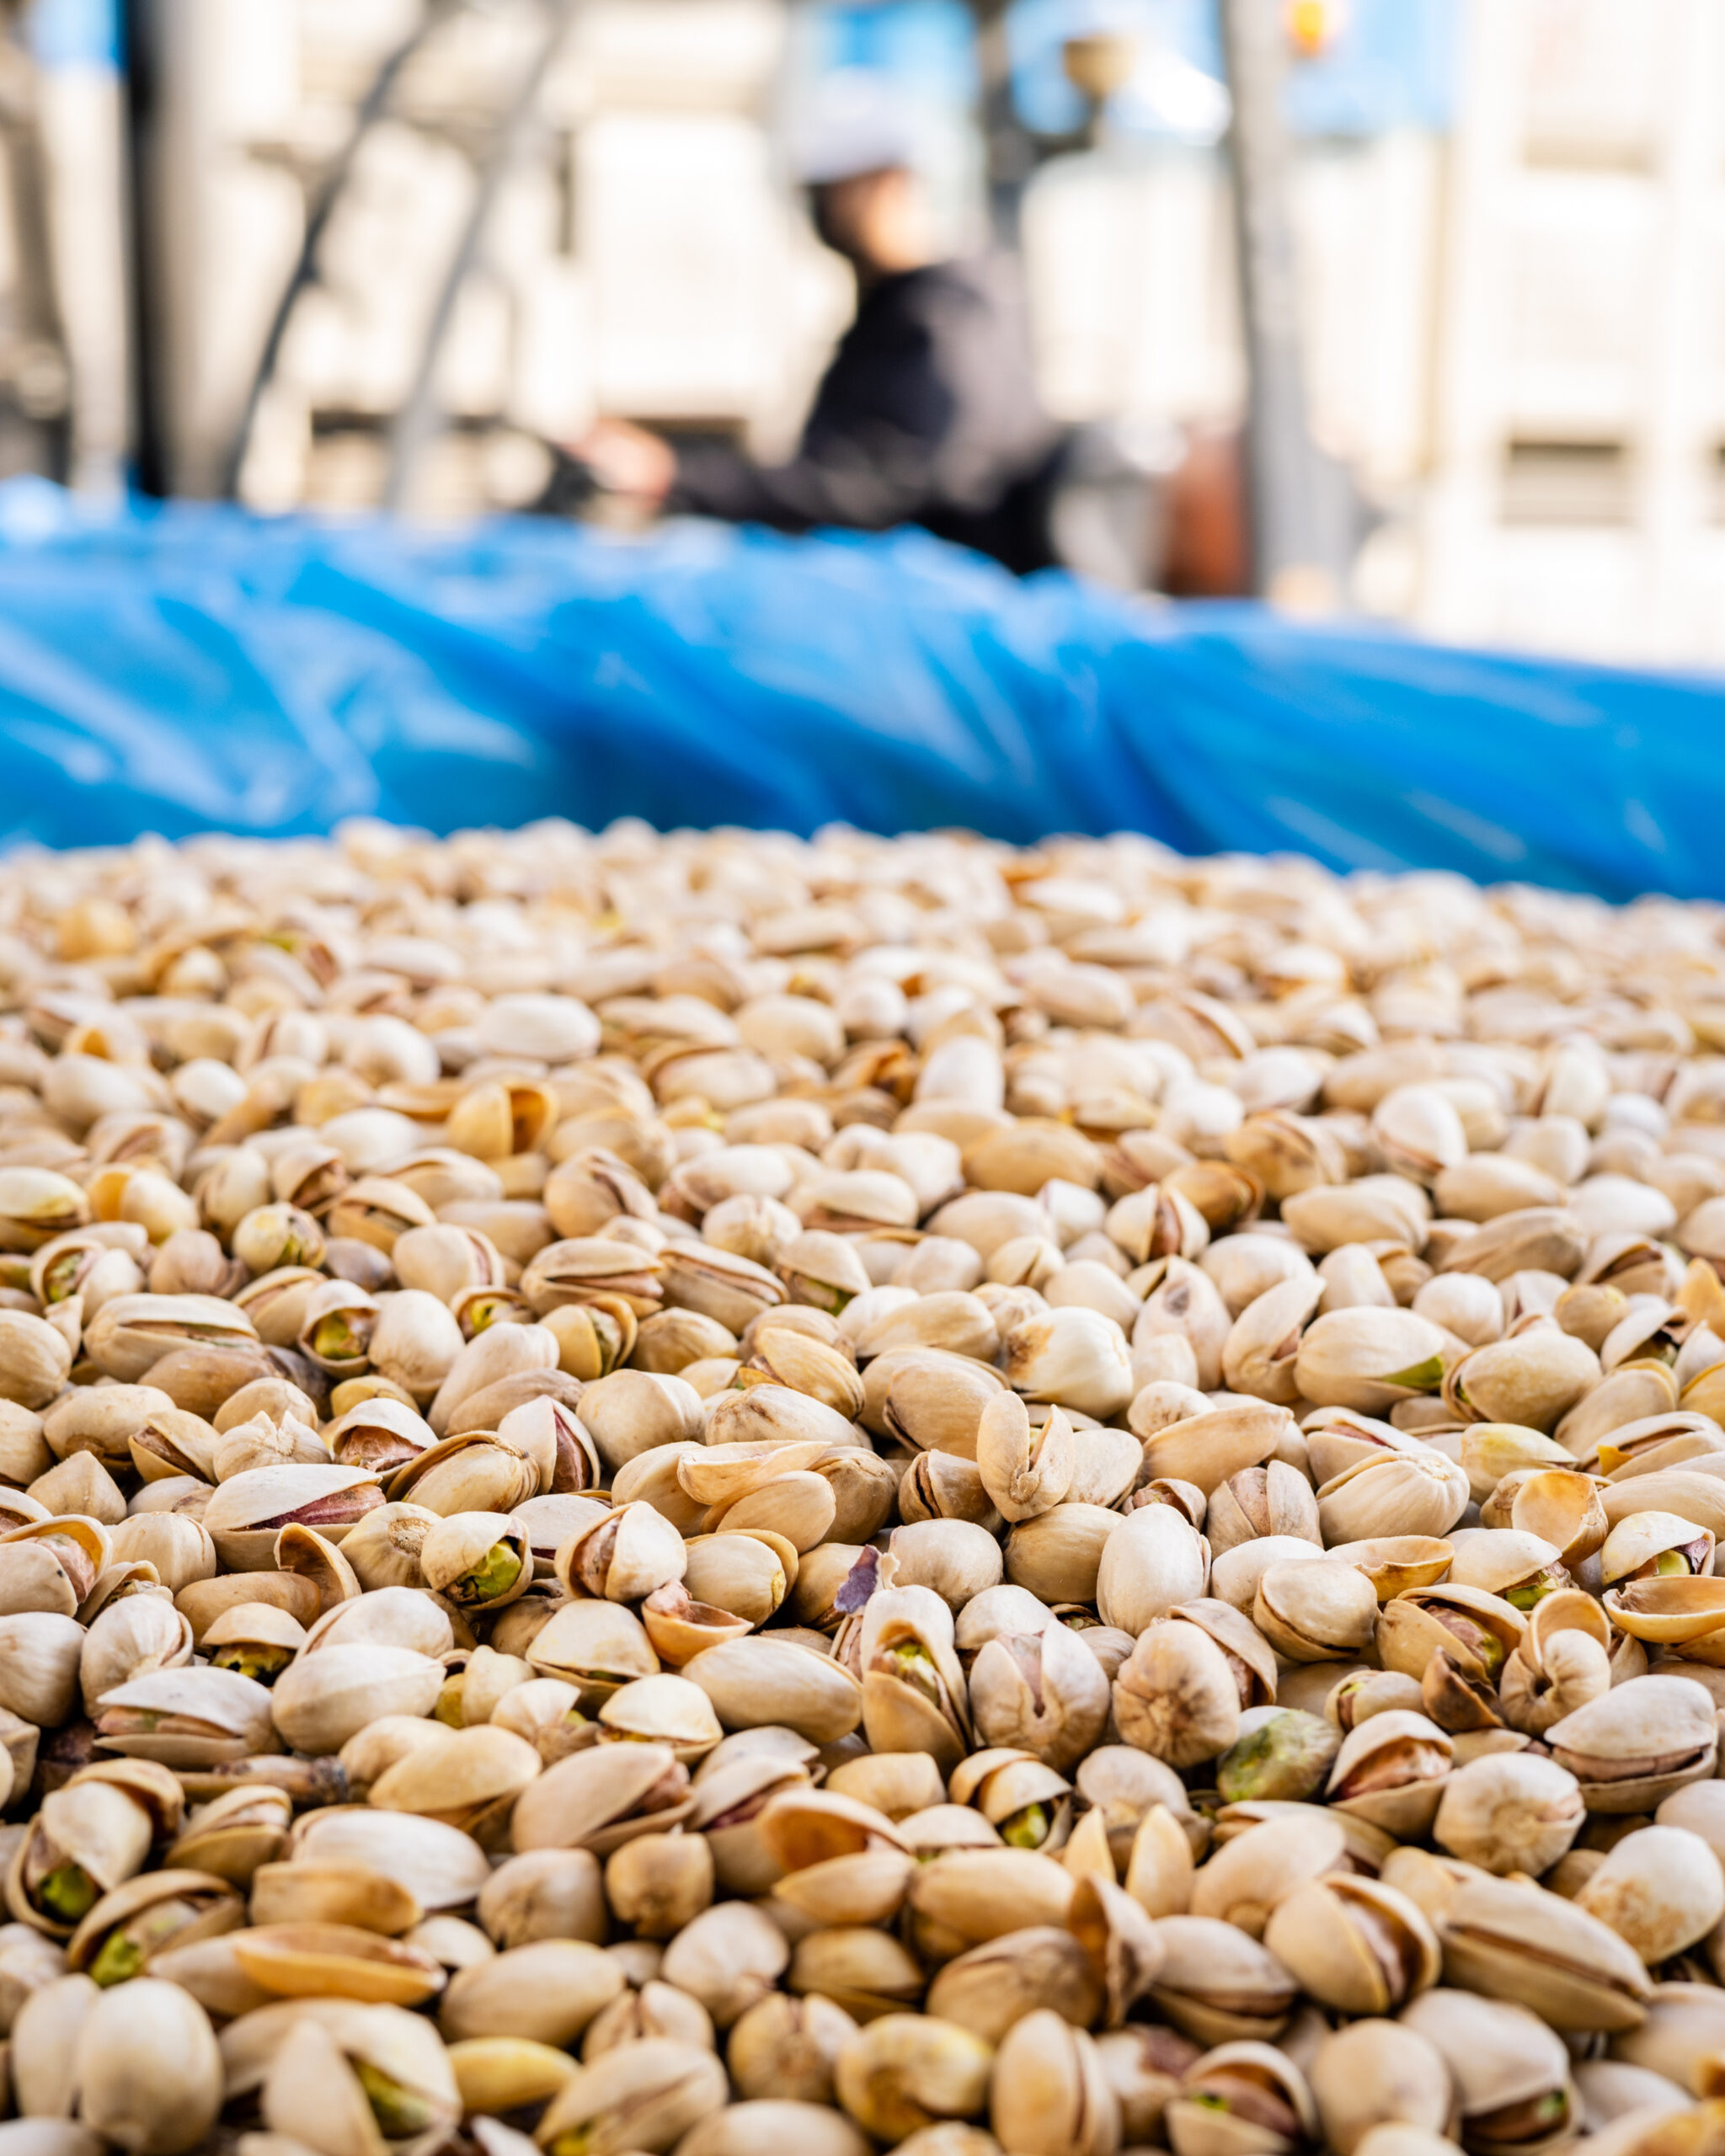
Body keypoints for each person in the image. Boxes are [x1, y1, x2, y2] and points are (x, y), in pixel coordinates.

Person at [573, 90, 1071, 575]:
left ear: (888, 183)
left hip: (925, 610)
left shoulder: (941, 321)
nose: (821, 216)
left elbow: (877, 487)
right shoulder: (923, 306)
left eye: (830, 195)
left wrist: (676, 476)